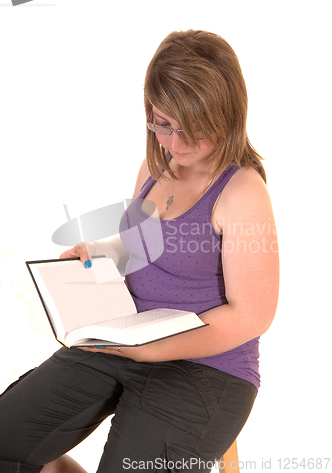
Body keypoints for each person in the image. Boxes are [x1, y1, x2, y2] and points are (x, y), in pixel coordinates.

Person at [0, 29, 279, 473]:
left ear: (227, 114)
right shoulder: (156, 165)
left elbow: (253, 316)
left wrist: (155, 350)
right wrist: (99, 252)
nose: (176, 143)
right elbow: (143, 246)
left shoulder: (242, 191)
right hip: (123, 341)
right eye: (163, 124)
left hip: (206, 369)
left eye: (193, 129)